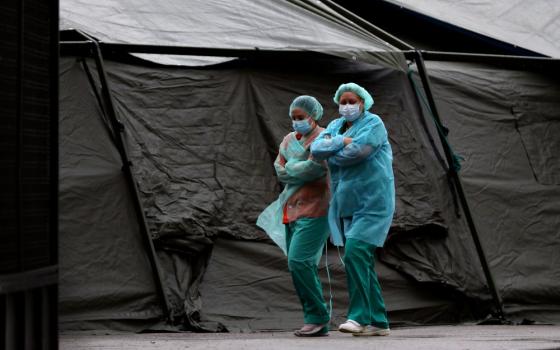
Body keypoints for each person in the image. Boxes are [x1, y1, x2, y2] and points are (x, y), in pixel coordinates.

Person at [310, 83, 395, 337]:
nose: (347, 106)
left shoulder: (374, 123)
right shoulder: (336, 126)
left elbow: (357, 152)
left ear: (363, 102)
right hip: (347, 202)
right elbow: (315, 149)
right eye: (343, 101)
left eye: (352, 101)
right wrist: (340, 141)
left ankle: (359, 317)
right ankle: (379, 322)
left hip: (374, 200)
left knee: (357, 251)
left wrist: (332, 151)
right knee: (360, 260)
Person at [257, 95, 331, 337]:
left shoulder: (325, 137)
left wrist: (293, 167)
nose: (297, 122)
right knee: (301, 265)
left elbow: (316, 169)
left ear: (313, 115)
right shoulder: (289, 140)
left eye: (301, 117)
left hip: (317, 208)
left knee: (298, 261)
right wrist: (297, 168)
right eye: (294, 118)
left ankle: (318, 317)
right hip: (292, 208)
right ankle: (315, 319)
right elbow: (279, 169)